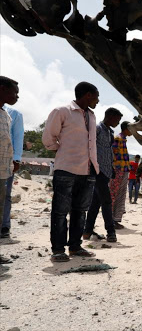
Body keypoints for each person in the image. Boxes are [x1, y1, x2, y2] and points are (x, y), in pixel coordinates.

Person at [42, 81, 100, 262]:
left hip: (88, 170)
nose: (97, 101)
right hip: (66, 169)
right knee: (60, 211)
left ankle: (75, 247)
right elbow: (48, 138)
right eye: (96, 96)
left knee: (80, 210)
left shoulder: (91, 116)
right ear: (88, 95)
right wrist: (63, 151)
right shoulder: (62, 111)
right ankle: (58, 250)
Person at [83, 107, 123, 243]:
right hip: (97, 170)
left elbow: (107, 151)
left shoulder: (109, 132)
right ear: (110, 117)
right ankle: (111, 232)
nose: (118, 123)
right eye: (117, 120)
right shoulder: (98, 128)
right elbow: (88, 146)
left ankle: (87, 231)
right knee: (107, 201)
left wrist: (111, 167)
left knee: (96, 203)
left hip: (105, 171)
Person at [0, 76, 19, 264]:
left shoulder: (6, 115)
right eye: (15, 92)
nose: (17, 97)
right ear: (2, 89)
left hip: (3, 171)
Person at [1, 106, 24, 239]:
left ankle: (4, 226)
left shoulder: (14, 114)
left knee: (5, 194)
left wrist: (16, 159)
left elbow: (18, 136)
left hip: (6, 160)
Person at [110, 121, 132, 229]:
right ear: (126, 129)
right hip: (118, 170)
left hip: (123, 170)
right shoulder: (117, 138)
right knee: (114, 194)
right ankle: (111, 220)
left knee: (120, 195)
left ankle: (116, 219)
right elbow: (112, 153)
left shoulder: (123, 139)